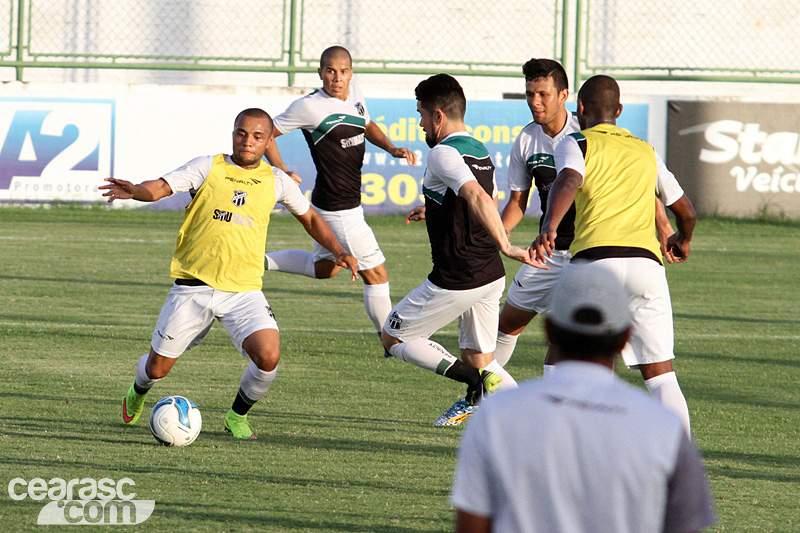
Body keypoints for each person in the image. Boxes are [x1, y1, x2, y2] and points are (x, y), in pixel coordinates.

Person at [100, 108, 359, 439]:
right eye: (241, 133)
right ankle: (137, 392)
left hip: (243, 291)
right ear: (233, 133)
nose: (247, 141)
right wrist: (135, 190)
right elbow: (161, 187)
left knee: (268, 356)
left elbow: (310, 218)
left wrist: (338, 251)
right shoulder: (208, 167)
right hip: (193, 288)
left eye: (257, 136)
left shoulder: (277, 181)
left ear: (268, 142)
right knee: (156, 369)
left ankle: (237, 416)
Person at [451, 263, 717, 532]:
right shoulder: (664, 426)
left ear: (550, 332)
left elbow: (472, 524)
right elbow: (684, 524)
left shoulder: (497, 414)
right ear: (625, 337)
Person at [532, 74, 697, 435]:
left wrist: (549, 225)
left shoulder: (577, 142)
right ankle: (682, 456)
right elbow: (686, 212)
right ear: (618, 111)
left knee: (565, 355)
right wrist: (681, 240)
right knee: (661, 373)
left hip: (595, 263)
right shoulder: (646, 150)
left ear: (580, 109)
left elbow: (569, 180)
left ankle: (556, 438)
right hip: (646, 267)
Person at [496, 58, 676, 376]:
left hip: (589, 250)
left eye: (543, 94)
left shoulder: (588, 130)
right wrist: (493, 231)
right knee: (508, 323)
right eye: (529, 94)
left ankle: (555, 404)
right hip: (548, 251)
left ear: (565, 96)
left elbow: (634, 180)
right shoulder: (526, 140)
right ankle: (481, 389)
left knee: (567, 335)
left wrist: (663, 225)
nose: (535, 102)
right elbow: (517, 202)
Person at [381, 74, 533, 427]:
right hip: (489, 274)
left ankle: (473, 386)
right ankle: (534, 417)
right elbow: (481, 199)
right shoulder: (480, 150)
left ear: (437, 115)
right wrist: (432, 209)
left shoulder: (441, 153)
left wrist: (506, 244)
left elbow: (477, 198)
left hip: (458, 276)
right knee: (481, 357)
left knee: (394, 336)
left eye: (421, 115)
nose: (419, 124)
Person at [262, 45, 417, 339]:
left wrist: (392, 148)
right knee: (377, 275)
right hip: (339, 209)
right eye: (330, 71)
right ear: (320, 72)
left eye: (343, 71)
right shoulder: (308, 107)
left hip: (332, 202)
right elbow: (266, 130)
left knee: (326, 268)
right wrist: (280, 167)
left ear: (351, 73)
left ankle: (258, 261)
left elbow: (367, 124)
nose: (337, 77)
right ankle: (392, 341)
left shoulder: (355, 94)